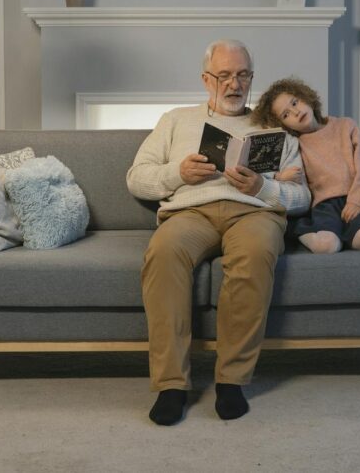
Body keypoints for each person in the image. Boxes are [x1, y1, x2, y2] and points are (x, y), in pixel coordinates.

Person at [126, 40, 310, 426]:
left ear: (252, 78)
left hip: (253, 212)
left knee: (256, 253)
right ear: (206, 79)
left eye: (242, 75)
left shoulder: (274, 128)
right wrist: (178, 173)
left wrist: (262, 187)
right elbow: (136, 178)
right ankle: (171, 385)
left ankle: (231, 381)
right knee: (163, 253)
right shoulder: (176, 120)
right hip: (191, 212)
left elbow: (302, 197)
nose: (234, 84)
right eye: (224, 75)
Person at [251, 77, 360, 255]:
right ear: (282, 125)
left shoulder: (345, 125)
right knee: (326, 246)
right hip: (324, 205)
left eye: (295, 103)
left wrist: (357, 201)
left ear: (306, 97)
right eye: (286, 115)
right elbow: (275, 172)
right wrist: (280, 177)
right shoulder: (294, 143)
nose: (296, 112)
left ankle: (347, 234)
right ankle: (296, 229)